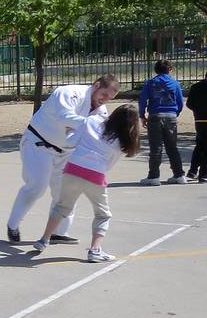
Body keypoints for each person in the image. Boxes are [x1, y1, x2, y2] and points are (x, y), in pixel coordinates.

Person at [6, 74, 120, 243]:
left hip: (66, 152)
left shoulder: (101, 111)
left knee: (65, 192)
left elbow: (96, 134)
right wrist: (87, 124)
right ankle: (13, 225)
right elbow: (64, 116)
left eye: (110, 98)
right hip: (38, 143)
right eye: (104, 94)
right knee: (37, 185)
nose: (105, 100)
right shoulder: (69, 92)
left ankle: (58, 232)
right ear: (96, 85)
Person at [31, 104, 141, 262]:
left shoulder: (93, 121)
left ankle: (43, 240)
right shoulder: (122, 142)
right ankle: (95, 250)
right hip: (95, 175)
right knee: (102, 214)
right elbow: (109, 165)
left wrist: (69, 132)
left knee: (62, 207)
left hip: (73, 169)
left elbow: (70, 141)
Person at [138, 59, 187, 186]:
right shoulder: (175, 83)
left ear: (156, 70)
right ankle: (179, 175)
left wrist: (142, 115)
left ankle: (154, 176)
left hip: (155, 116)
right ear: (169, 70)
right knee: (172, 147)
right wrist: (175, 114)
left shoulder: (150, 83)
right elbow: (180, 102)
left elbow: (142, 100)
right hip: (170, 116)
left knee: (156, 148)